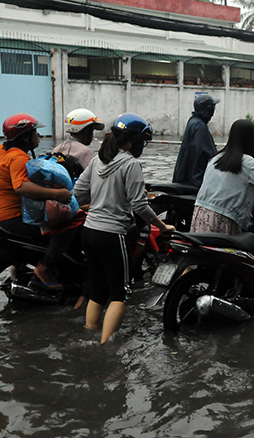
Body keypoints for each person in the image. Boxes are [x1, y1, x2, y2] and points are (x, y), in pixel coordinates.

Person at [73, 113, 175, 344]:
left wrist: (99, 202)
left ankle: (89, 336)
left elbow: (78, 193)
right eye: (143, 141)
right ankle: (105, 348)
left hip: (89, 232)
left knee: (98, 290)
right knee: (120, 294)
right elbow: (140, 205)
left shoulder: (98, 160)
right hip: (111, 235)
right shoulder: (131, 164)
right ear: (132, 140)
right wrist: (162, 224)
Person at [0, 113, 75, 291]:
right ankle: (46, 269)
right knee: (67, 225)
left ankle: (19, 263)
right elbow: (21, 188)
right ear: (25, 137)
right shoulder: (19, 158)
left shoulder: (1, 151)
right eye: (35, 133)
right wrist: (57, 194)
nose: (38, 136)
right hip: (12, 219)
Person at [172, 94, 219, 188]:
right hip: (194, 183)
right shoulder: (200, 127)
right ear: (209, 110)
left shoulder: (194, 122)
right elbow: (199, 154)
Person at [52, 108, 105, 178]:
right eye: (91, 130)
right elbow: (96, 177)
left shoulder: (57, 149)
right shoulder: (85, 152)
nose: (92, 135)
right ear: (85, 130)